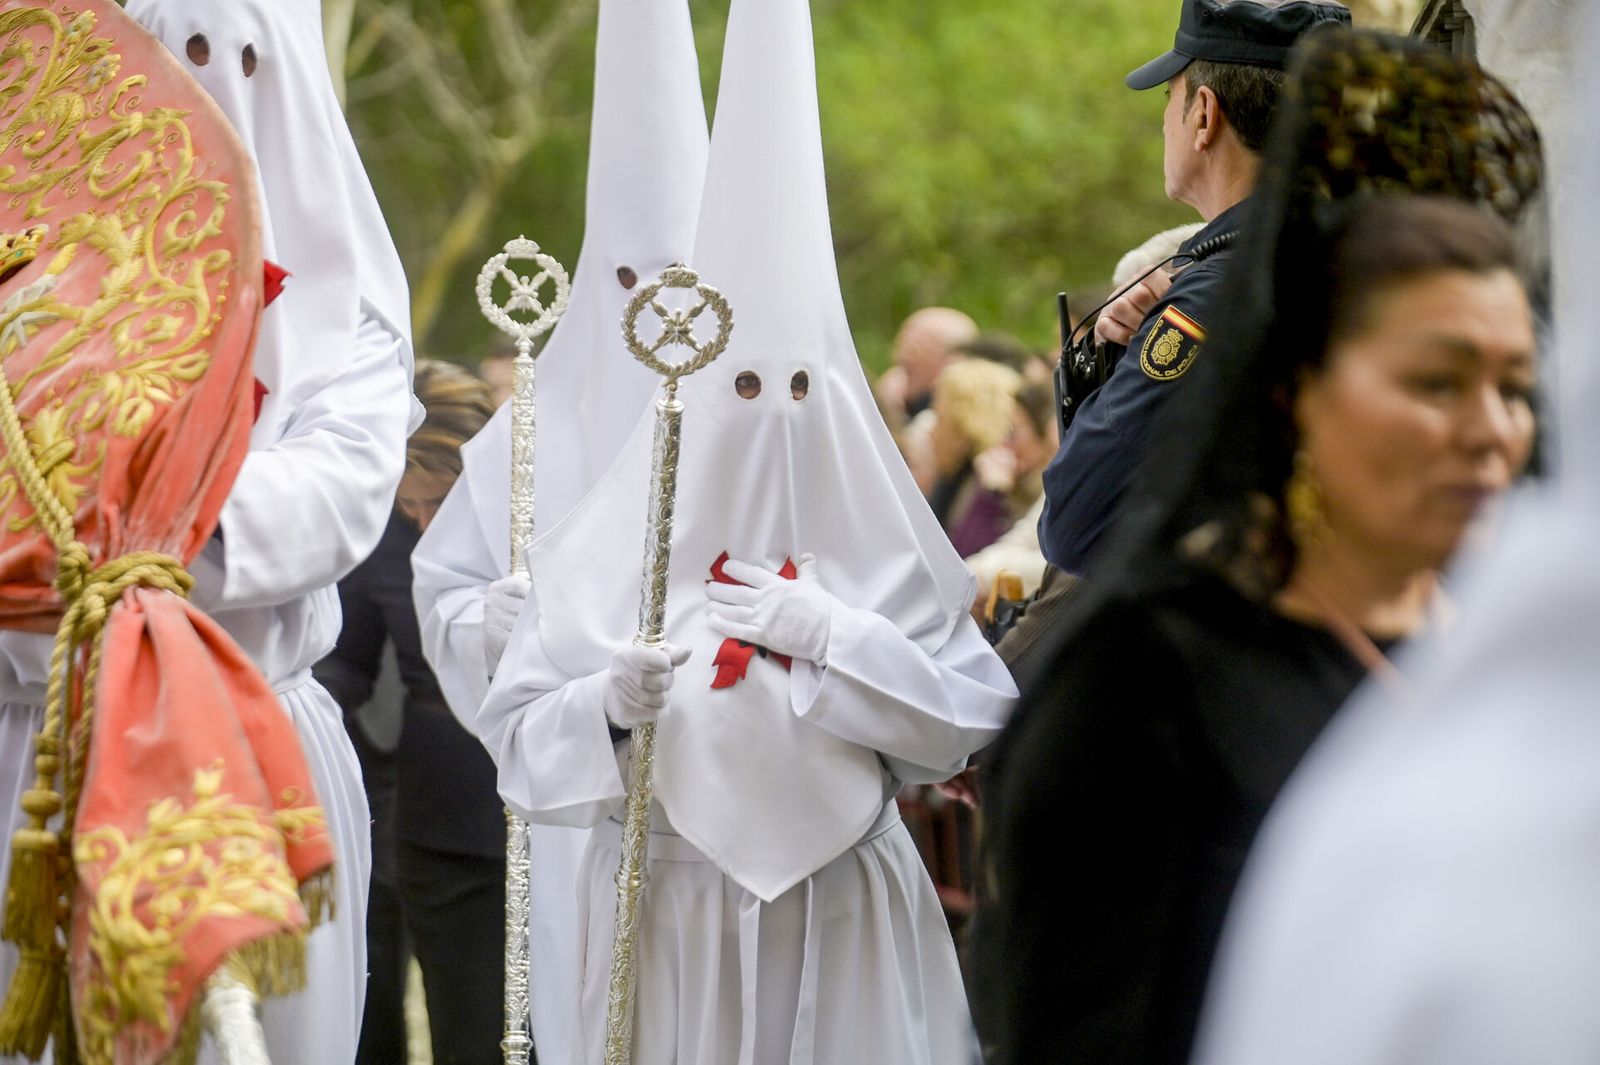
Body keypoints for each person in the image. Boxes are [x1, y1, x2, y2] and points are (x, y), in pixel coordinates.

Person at [970, 28, 1545, 1065]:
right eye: (1434, 382)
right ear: (1296, 389)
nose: (1491, 429)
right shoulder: (1140, 680)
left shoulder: (1514, 657)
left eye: (1511, 386)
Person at [474, 0, 1016, 1060]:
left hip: (845, 907)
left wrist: (836, 635)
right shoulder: (607, 560)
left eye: (801, 387)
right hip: (664, 908)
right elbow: (522, 753)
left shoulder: (882, 555)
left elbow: (962, 720)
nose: (774, 412)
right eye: (747, 387)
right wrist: (608, 708)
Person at [410, 0, 711, 1060]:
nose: (654, 329)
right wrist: (486, 621)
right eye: (630, 291)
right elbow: (440, 592)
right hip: (574, 811)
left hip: (720, 817)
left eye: (676, 294)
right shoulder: (519, 439)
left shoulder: (755, 420)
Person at [125, 2, 420, 1062]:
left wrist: (141, 524)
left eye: (223, 58)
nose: (194, 96)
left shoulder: (348, 319)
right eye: (160, 55)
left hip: (252, 740)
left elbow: (339, 488)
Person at [1038, 0, 1350, 575]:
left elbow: (1075, 524)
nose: (1165, 122)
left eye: (1169, 99)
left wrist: (1109, 373)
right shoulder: (1360, 252)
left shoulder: (1215, 294)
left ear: (1204, 115)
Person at [321, 361, 505, 1065]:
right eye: (410, 505)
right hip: (443, 814)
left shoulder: (549, 517)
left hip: (560, 803)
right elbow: (348, 661)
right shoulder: (389, 535)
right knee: (468, 1028)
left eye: (442, 501)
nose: (426, 524)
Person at [927, 358, 1024, 557]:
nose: (932, 432)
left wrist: (991, 497)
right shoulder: (956, 479)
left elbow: (965, 557)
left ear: (964, 426)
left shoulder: (996, 485)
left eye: (939, 419)